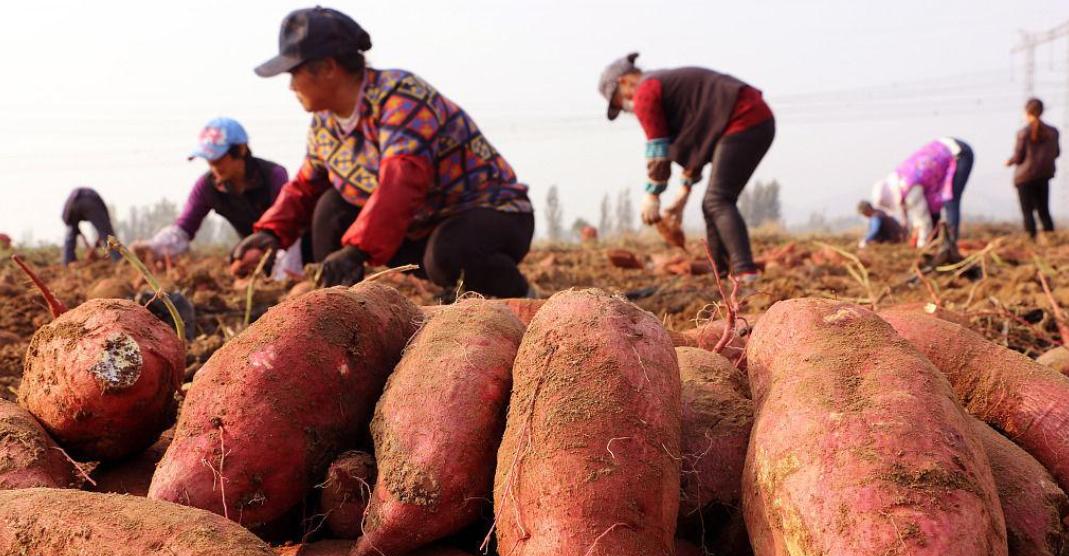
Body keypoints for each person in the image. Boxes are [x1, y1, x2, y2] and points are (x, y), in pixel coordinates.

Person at [234, 7, 535, 297]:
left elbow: (403, 180)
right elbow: (305, 186)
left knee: (447, 256)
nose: (290, 87)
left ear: (327, 68)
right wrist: (270, 233)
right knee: (332, 205)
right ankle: (338, 305)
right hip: (419, 227)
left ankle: (519, 294)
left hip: (491, 215)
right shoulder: (325, 123)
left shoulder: (400, 96)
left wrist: (357, 249)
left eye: (294, 73)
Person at [598, 53, 774, 278]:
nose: (627, 108)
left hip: (745, 118)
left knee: (718, 200)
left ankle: (744, 272)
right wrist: (682, 195)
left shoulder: (645, 92)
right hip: (752, 118)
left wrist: (652, 195)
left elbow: (658, 149)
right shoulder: (662, 86)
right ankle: (720, 273)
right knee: (712, 203)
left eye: (621, 102)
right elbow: (697, 143)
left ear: (624, 82)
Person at [133, 118, 302, 278]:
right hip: (250, 254)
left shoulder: (273, 175)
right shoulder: (207, 186)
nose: (213, 167)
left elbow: (288, 225)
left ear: (241, 150)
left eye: (218, 160)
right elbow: (183, 229)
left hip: (289, 249)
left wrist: (278, 266)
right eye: (209, 161)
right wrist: (153, 247)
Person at [871, 138, 973, 254]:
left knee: (950, 200)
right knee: (933, 208)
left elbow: (924, 221)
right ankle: (940, 242)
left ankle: (950, 246)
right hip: (947, 148)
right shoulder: (901, 178)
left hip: (958, 153)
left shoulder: (909, 189)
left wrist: (922, 247)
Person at [1006, 97, 1060, 241]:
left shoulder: (1023, 133)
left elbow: (1018, 157)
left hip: (1025, 177)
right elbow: (1056, 153)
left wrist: (1009, 162)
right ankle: (1051, 240)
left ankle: (1031, 241)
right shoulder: (1053, 132)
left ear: (1027, 112)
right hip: (1044, 175)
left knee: (1027, 212)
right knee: (1044, 210)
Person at [61, 187, 119, 266]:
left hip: (73, 205)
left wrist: (92, 244)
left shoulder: (69, 206)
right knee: (107, 233)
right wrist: (95, 243)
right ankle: (118, 258)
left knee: (71, 233)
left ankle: (68, 262)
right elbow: (105, 228)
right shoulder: (99, 206)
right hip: (90, 201)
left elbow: (69, 223)